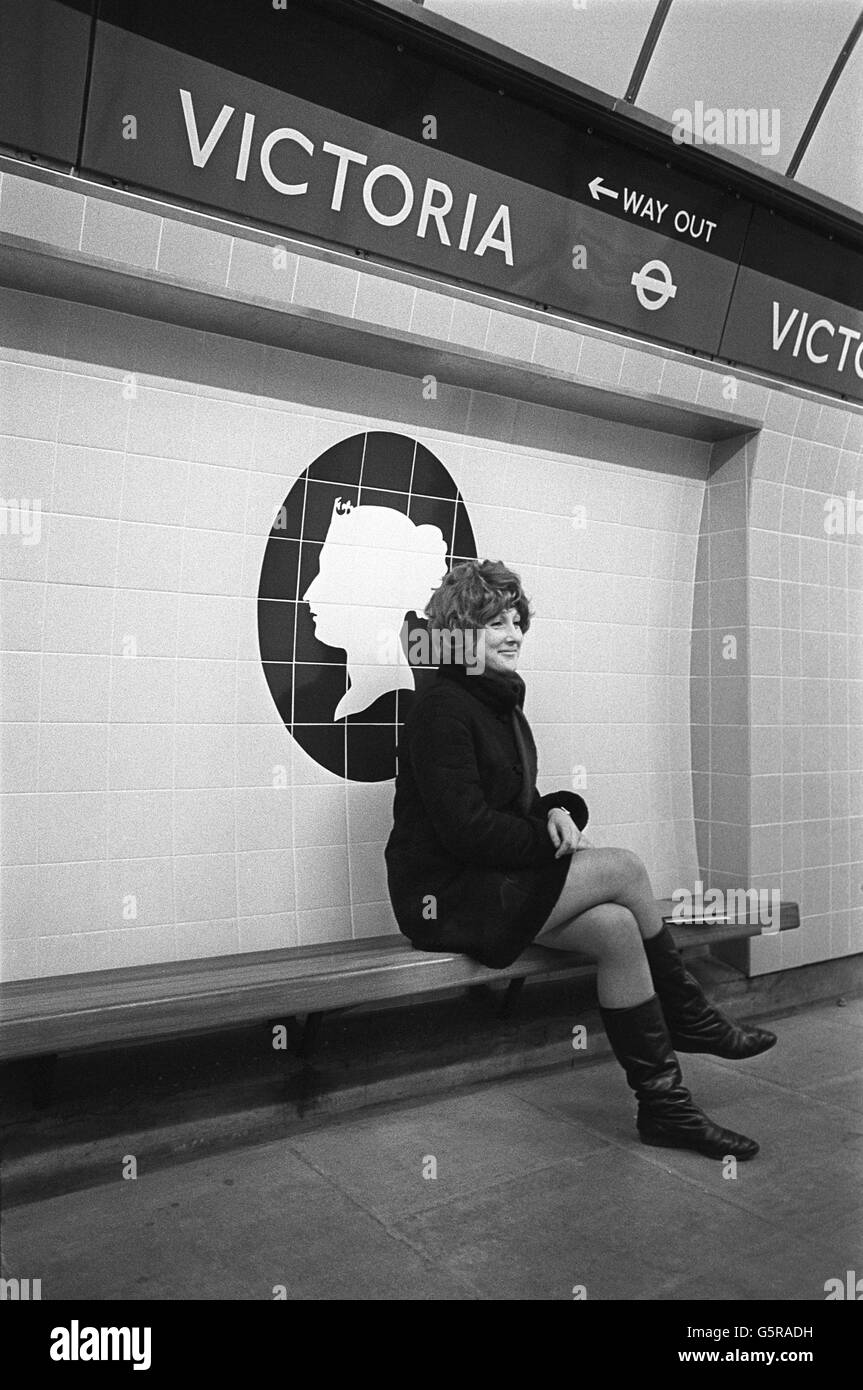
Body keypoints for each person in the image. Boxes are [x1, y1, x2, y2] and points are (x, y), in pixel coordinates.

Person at [385, 558, 777, 1161]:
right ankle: (691, 1014)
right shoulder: (440, 709)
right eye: (495, 622)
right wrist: (545, 840)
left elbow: (509, 802)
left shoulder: (497, 704)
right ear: (460, 633)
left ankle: (664, 1110)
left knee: (620, 929)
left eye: (517, 619)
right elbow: (466, 832)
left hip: (492, 883)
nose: (514, 632)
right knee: (622, 868)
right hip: (446, 896)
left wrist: (555, 811)